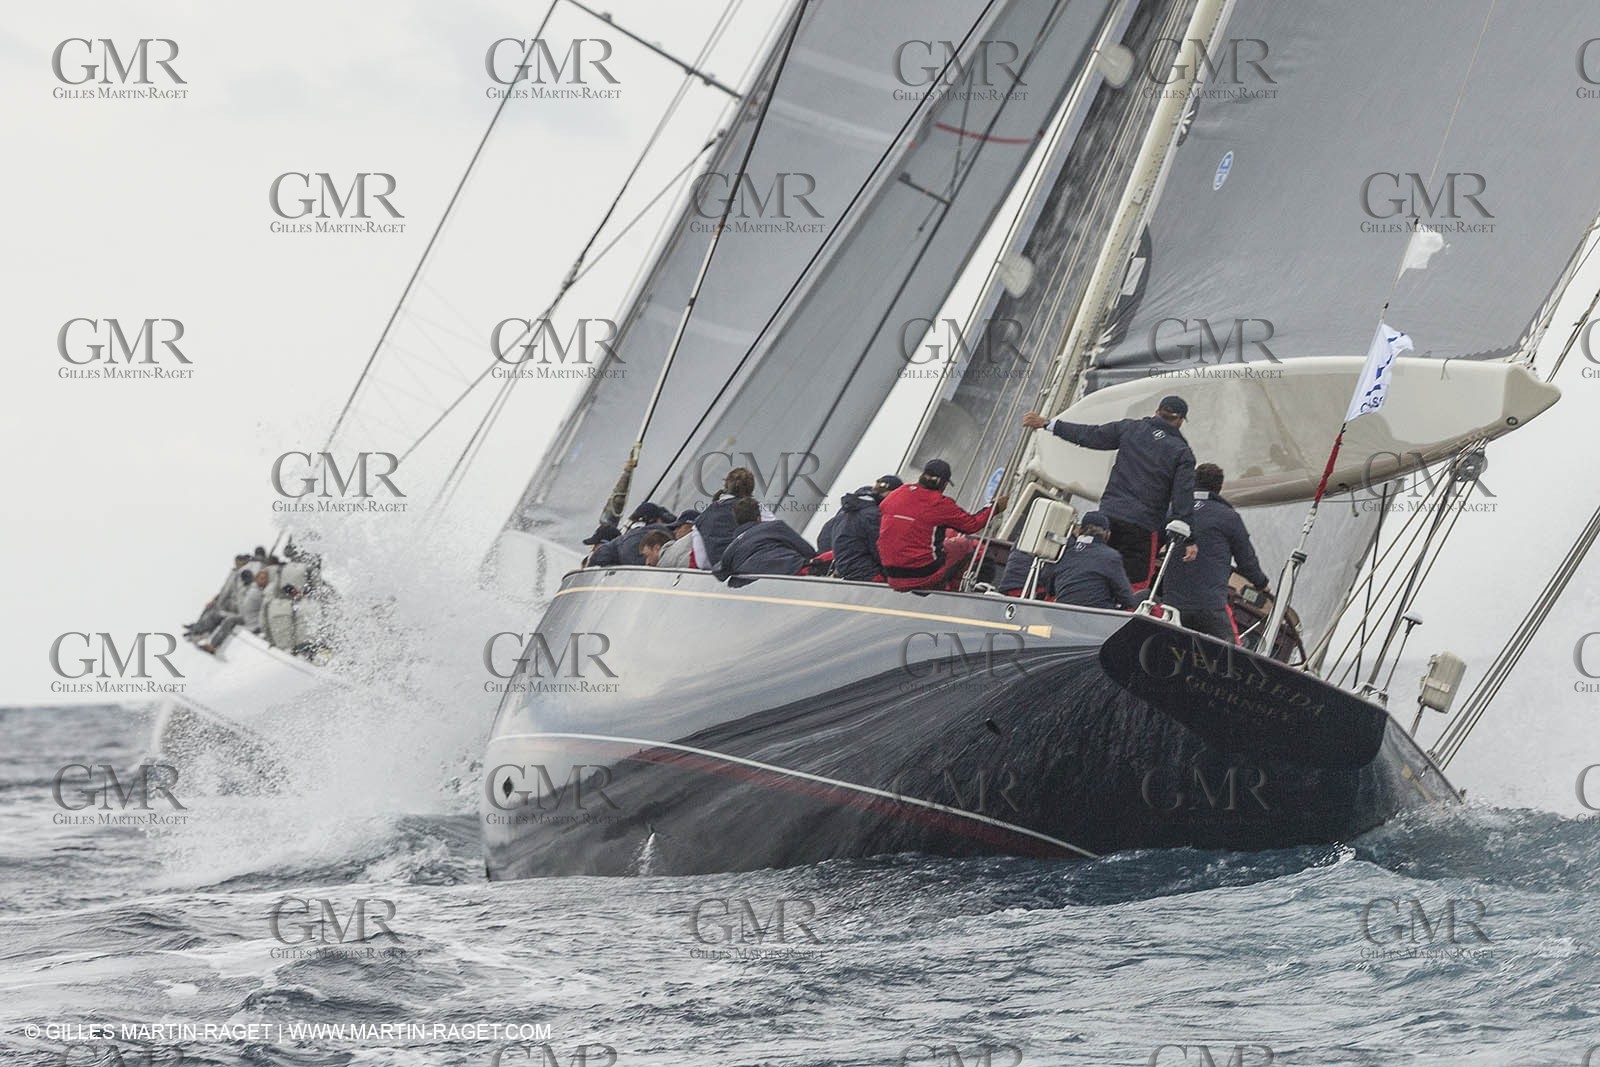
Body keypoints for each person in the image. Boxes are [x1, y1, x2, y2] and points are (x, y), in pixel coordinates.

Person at [1022, 395, 1196, 587]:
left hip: (1108, 519)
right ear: (1179, 421)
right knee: (1135, 584)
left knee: (1093, 572)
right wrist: (1188, 540)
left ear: (1157, 412)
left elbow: (1089, 435)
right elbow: (1183, 497)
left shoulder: (1130, 428)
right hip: (1142, 527)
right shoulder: (1182, 453)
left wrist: (1047, 424)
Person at [1159, 463, 1271, 643]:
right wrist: (1261, 583)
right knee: (1232, 658)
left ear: (1193, 483)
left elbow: (1155, 546)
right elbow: (1246, 560)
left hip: (1172, 605)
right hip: (1210, 607)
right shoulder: (1229, 517)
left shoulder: (1172, 511)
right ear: (1219, 487)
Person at [877, 460, 1008, 592]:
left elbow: (883, 508)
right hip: (922, 575)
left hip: (891, 574)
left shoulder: (898, 493)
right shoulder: (940, 504)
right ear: (944, 484)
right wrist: (995, 507)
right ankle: (955, 591)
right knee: (967, 545)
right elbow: (972, 525)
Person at [713, 497, 816, 584]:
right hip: (793, 575)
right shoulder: (776, 526)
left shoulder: (732, 547)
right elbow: (808, 551)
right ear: (759, 518)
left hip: (756, 590)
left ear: (736, 521)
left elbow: (719, 574)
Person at [1050, 511, 1139, 610]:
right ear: (1108, 534)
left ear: (1079, 530)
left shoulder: (1063, 553)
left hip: (1061, 615)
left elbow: (1050, 589)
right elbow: (1127, 599)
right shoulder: (1110, 556)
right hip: (1095, 619)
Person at [693, 467, 773, 570]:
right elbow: (778, 535)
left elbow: (702, 562)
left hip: (721, 576)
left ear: (726, 485)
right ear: (751, 488)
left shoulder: (703, 518)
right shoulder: (760, 509)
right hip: (755, 570)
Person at [827, 475, 902, 582]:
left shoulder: (846, 511)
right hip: (868, 573)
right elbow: (880, 549)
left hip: (848, 571)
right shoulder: (872, 515)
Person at [201, 568, 267, 653]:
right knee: (219, 615)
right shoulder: (248, 588)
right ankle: (205, 636)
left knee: (229, 620)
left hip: (252, 619)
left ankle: (212, 645)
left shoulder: (259, 591)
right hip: (243, 614)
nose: (245, 581)